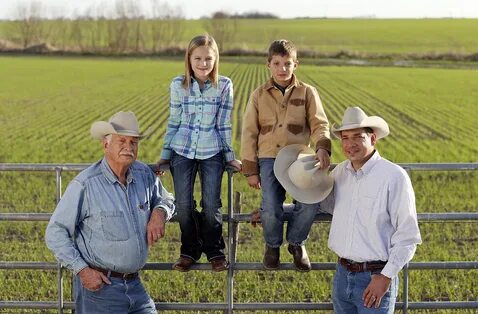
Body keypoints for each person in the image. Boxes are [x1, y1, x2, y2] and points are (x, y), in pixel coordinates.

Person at [45, 111, 175, 314]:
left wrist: (160, 212)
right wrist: (82, 270)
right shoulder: (85, 185)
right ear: (105, 144)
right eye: (122, 141)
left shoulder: (144, 175)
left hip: (135, 286)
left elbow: (166, 198)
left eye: (133, 142)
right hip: (100, 290)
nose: (129, 147)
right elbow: (55, 231)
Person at [240, 39, 331, 271]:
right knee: (270, 206)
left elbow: (320, 123)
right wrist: (250, 169)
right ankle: (272, 245)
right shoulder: (258, 95)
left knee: (309, 204)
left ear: (296, 65)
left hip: (299, 159)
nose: (282, 69)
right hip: (269, 158)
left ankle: (296, 243)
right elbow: (249, 132)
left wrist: (322, 146)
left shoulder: (308, 92)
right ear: (268, 65)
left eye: (287, 63)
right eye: (277, 63)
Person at [157, 34, 241, 272]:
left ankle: (215, 251)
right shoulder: (178, 85)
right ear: (189, 59)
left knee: (212, 205)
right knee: (183, 206)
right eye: (198, 58)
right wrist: (165, 156)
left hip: (212, 150)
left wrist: (229, 156)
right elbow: (174, 121)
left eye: (208, 59)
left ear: (215, 60)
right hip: (181, 150)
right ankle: (190, 250)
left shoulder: (224, 85)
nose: (203, 64)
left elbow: (224, 124)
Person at [327, 106, 422, 313]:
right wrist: (271, 212)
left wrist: (385, 277)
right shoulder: (339, 173)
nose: (350, 144)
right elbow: (317, 204)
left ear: (372, 139)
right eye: (344, 138)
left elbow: (408, 236)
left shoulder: (393, 176)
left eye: (357, 137)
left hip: (375, 277)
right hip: (342, 275)